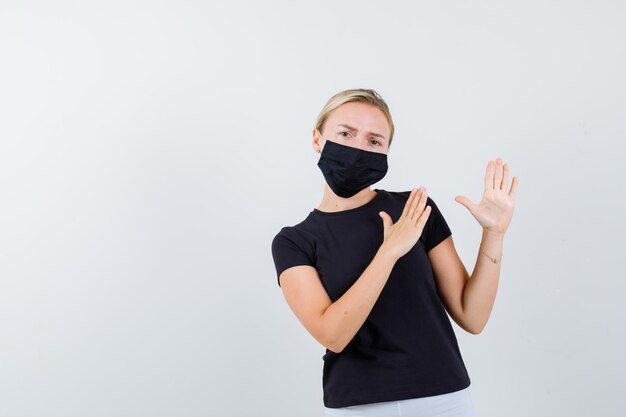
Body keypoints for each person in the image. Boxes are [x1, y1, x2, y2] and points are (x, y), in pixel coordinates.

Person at [270, 88, 518, 417]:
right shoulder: (294, 242)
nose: (359, 148)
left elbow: (472, 316)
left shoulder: (415, 210)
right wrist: (389, 253)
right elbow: (333, 334)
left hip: (444, 397)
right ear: (318, 140)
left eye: (374, 141)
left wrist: (494, 233)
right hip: (358, 406)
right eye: (345, 133)